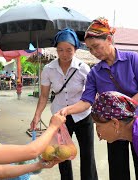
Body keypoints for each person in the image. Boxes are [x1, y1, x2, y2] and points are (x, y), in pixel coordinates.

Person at [59, 17, 138, 180]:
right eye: (90, 49)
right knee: (117, 169)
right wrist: (67, 110)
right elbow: (86, 101)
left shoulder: (132, 59)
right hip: (113, 126)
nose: (94, 52)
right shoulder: (95, 73)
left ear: (109, 39)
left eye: (96, 46)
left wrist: (124, 107)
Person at [30, 28, 98, 180]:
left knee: (87, 154)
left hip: (83, 116)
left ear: (75, 49)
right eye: (60, 50)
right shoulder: (48, 69)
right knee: (61, 154)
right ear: (56, 49)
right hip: (60, 118)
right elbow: (44, 96)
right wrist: (36, 116)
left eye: (69, 50)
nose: (64, 54)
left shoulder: (83, 69)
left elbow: (89, 98)